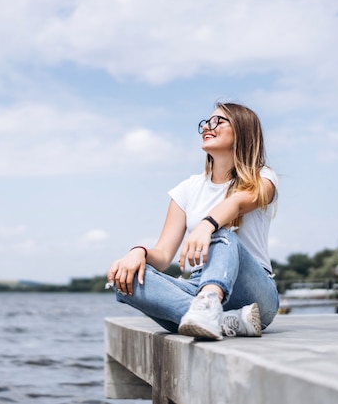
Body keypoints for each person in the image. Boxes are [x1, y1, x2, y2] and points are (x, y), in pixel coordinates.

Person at [106, 102, 279, 340]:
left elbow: (237, 203)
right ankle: (228, 321)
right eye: (207, 122)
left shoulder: (263, 177)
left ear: (242, 130)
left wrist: (207, 226)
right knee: (125, 279)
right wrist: (139, 253)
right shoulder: (186, 190)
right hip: (198, 284)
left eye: (219, 121)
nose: (208, 126)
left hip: (253, 289)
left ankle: (208, 307)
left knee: (223, 234)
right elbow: (164, 255)